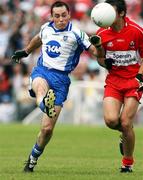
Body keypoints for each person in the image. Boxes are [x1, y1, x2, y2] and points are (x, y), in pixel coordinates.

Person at [12, 1, 105, 172]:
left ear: (69, 15)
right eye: (57, 16)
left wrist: (98, 46)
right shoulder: (46, 28)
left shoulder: (76, 33)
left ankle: (32, 159)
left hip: (61, 80)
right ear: (52, 16)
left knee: (46, 129)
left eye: (64, 15)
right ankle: (43, 102)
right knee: (40, 87)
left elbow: (96, 54)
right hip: (43, 71)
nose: (60, 19)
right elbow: (38, 39)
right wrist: (25, 51)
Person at [96, 0, 143, 173]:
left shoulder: (137, 31)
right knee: (111, 121)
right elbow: (100, 59)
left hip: (133, 81)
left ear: (121, 13)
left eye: (111, 11)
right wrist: (103, 61)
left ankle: (127, 163)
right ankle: (125, 134)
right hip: (114, 81)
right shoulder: (101, 32)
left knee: (125, 121)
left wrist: (140, 77)